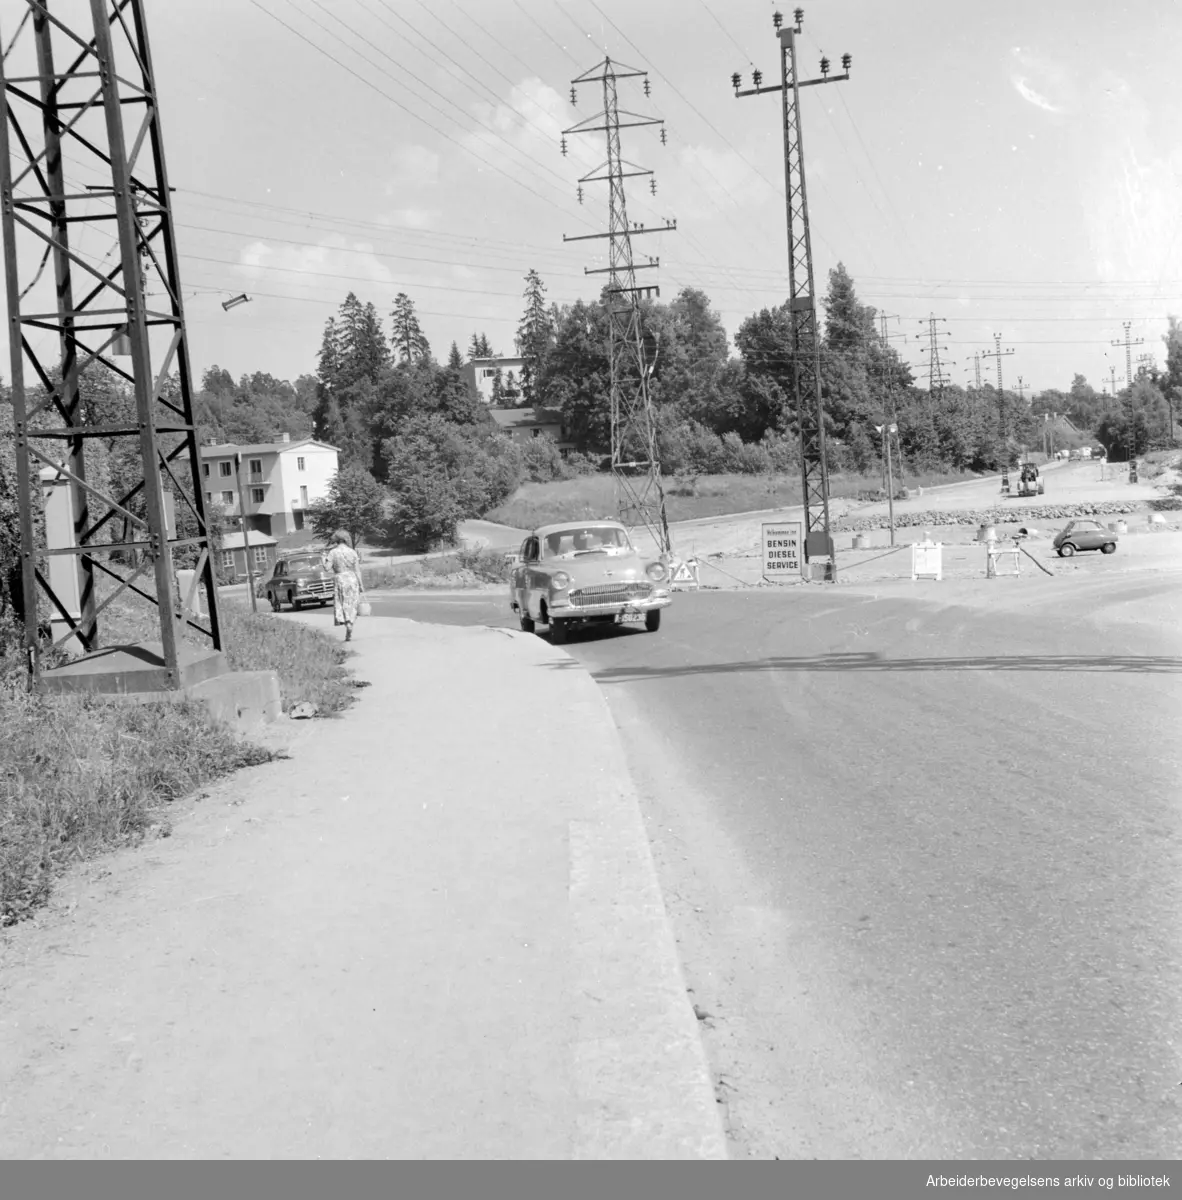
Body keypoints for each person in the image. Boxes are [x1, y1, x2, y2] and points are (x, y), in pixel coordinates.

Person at [323, 529, 364, 641]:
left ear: (337, 540)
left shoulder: (333, 552)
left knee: (342, 603)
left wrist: (323, 560)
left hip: (340, 579)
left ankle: (347, 624)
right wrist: (361, 585)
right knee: (352, 603)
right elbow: (357, 570)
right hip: (352, 579)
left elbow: (327, 568)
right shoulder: (352, 552)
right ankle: (351, 622)